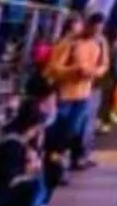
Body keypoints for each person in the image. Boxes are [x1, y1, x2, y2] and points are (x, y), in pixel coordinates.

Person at [46, 16, 109, 172]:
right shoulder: (70, 43)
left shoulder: (100, 42)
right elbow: (53, 67)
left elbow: (104, 65)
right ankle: (54, 164)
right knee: (60, 131)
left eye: (99, 30)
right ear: (87, 26)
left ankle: (67, 160)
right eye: (94, 30)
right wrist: (74, 70)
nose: (96, 33)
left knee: (74, 130)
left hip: (84, 94)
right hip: (65, 94)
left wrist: (95, 72)